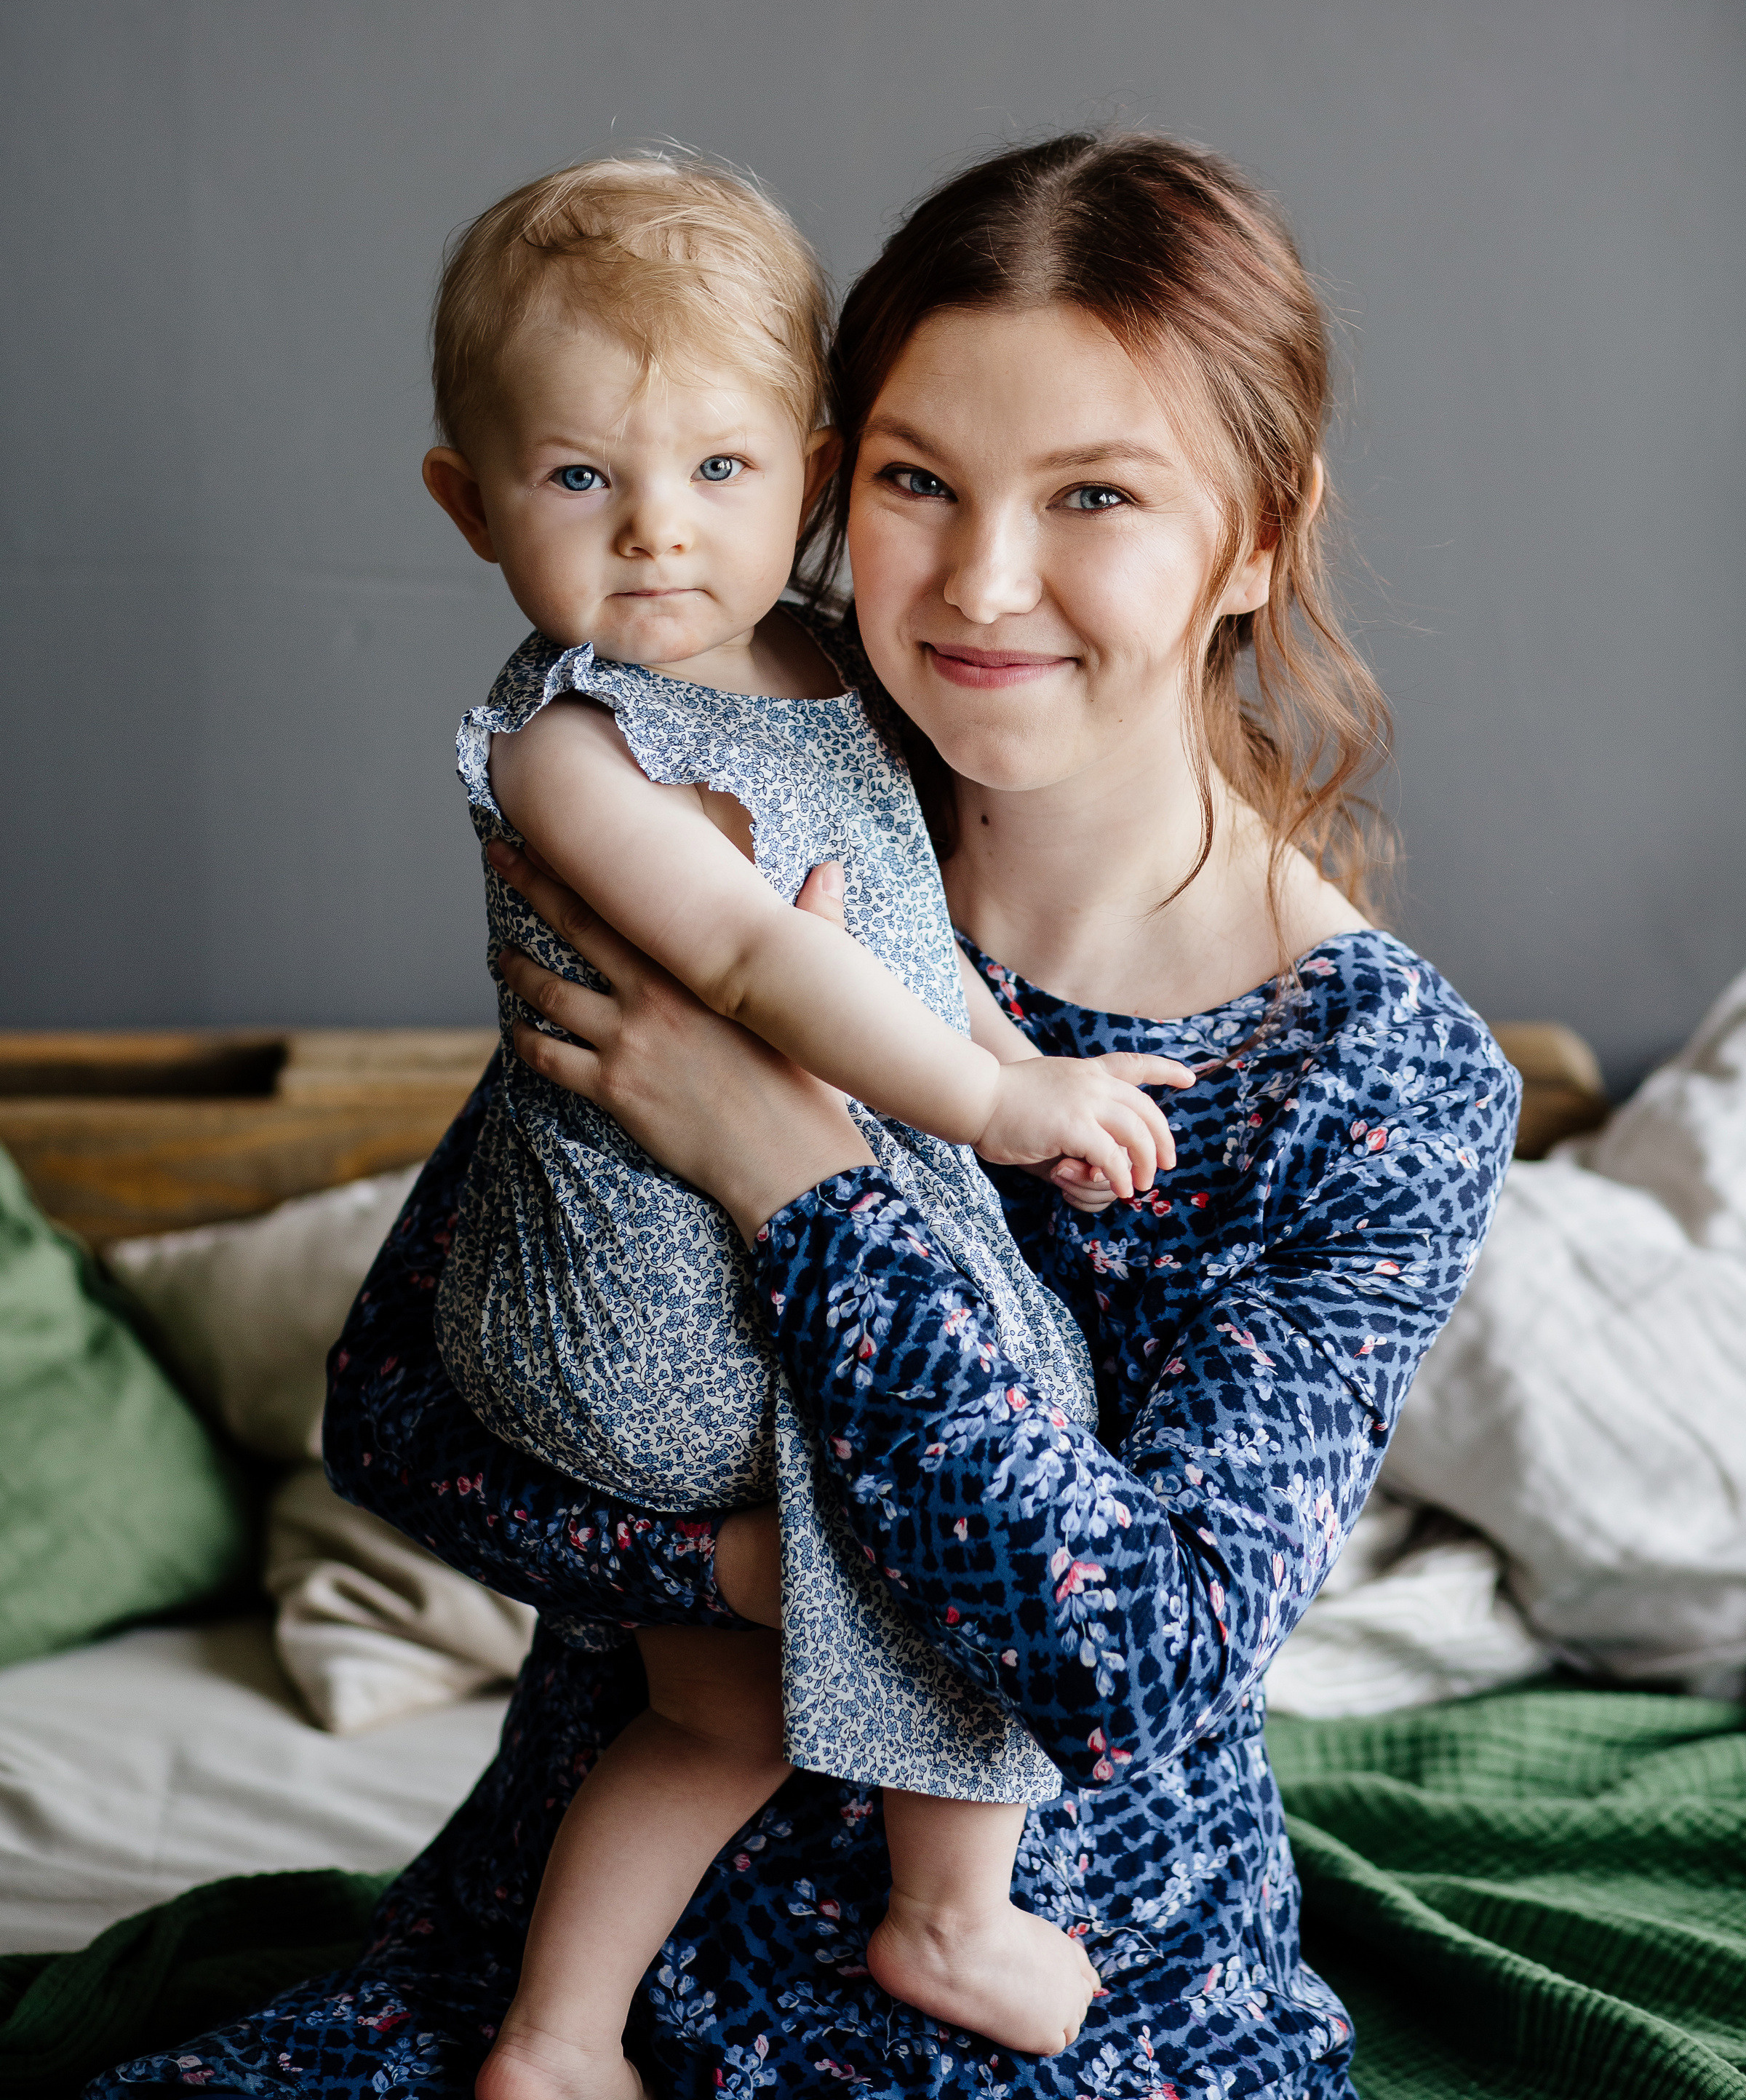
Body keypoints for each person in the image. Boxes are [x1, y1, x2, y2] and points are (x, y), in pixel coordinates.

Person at [94, 131, 1518, 2100]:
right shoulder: (736, 809)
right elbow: (400, 1415)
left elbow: (1128, 1664)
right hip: (579, 1952)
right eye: (918, 483)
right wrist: (738, 1576)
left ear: (1259, 536)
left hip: (1067, 2005)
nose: (985, 579)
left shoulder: (1378, 1084)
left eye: (1095, 494)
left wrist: (797, 1172)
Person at [416, 155, 1188, 2094]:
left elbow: (888, 941)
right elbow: (762, 970)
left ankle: (559, 2035)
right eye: (580, 479)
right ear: (468, 499)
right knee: (1010, 1378)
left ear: (813, 472)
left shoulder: (825, 664)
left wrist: (973, 1036)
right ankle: (949, 1908)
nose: (659, 538)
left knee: (715, 1721)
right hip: (628, 1310)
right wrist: (1008, 1096)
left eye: (721, 474)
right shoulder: (575, 747)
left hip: (697, 1258)